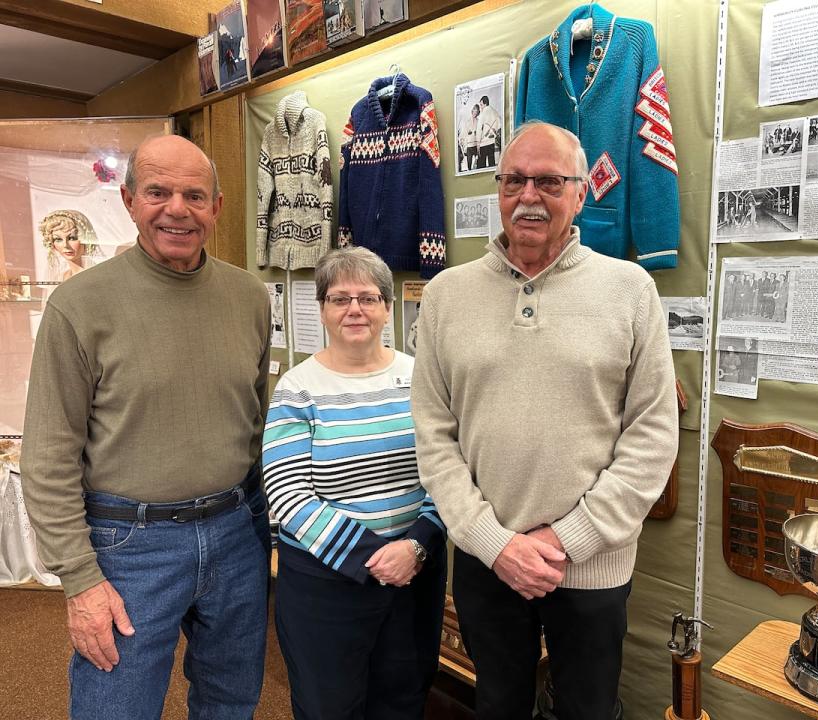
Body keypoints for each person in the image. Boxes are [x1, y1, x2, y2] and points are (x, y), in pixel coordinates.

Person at [411, 121, 678, 720]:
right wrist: (495, 543)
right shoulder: (447, 296)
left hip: (591, 565)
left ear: (582, 192)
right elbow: (434, 436)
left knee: (587, 709)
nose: (528, 196)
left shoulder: (629, 290)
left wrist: (564, 542)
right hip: (487, 561)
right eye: (514, 180)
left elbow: (653, 435)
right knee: (498, 705)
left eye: (549, 182)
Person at [20, 135, 272, 720]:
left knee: (232, 702)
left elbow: (255, 423)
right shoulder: (80, 306)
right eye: (158, 192)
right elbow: (50, 457)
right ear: (130, 200)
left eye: (194, 195)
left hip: (236, 532)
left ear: (217, 205)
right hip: (127, 546)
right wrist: (80, 581)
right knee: (117, 707)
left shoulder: (248, 296)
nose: (177, 209)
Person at [264, 247, 446, 720]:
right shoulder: (298, 388)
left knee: (403, 698)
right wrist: (372, 557)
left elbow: (448, 471)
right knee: (330, 707)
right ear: (322, 309)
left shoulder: (420, 377)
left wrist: (416, 548)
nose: (354, 309)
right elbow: (286, 494)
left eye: (367, 297)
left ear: (387, 307)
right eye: (339, 298)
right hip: (327, 585)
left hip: (413, 574)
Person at [39, 209, 100, 281]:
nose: (65, 245)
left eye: (72, 238)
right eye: (58, 239)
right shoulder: (60, 278)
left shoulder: (95, 276)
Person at [477, 95, 502, 169]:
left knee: (482, 164)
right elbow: (499, 124)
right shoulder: (494, 111)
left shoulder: (483, 113)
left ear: (485, 104)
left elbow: (479, 128)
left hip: (483, 142)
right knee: (492, 162)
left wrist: (478, 142)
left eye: (481, 105)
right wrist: (494, 131)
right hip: (492, 141)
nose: (480, 107)